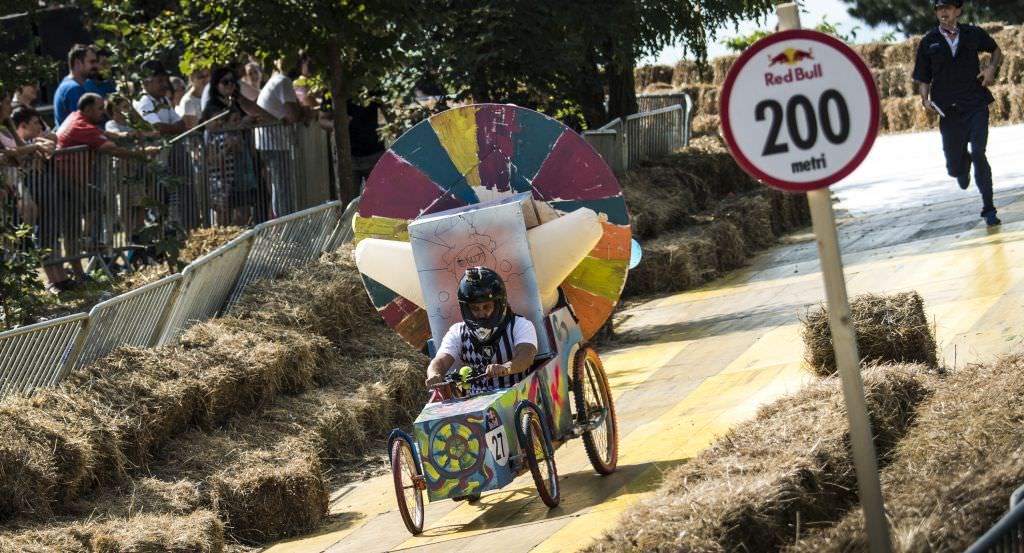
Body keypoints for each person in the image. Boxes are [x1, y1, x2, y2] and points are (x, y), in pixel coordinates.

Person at [913, 0, 1004, 226]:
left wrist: (991, 68)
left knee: (979, 152)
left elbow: (996, 50)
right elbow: (923, 77)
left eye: (948, 7)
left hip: (975, 104)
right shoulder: (928, 42)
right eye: (939, 8)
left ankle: (989, 208)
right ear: (936, 13)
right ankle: (961, 168)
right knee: (955, 169)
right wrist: (925, 99)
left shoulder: (973, 33)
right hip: (948, 111)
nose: (943, 12)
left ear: (958, 11)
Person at [425, 267, 538, 395]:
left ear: (499, 304)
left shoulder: (520, 325)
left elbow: (526, 356)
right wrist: (434, 374)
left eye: (486, 306)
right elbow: (440, 360)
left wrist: (506, 368)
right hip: (474, 408)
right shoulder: (457, 332)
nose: (481, 313)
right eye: (475, 308)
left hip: (516, 397)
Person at [256, 56, 306, 216]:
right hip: (275, 144)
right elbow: (293, 115)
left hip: (271, 143)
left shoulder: (276, 81)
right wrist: (305, 112)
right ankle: (285, 229)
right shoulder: (283, 81)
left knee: (278, 187)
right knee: (282, 188)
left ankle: (281, 226)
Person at [133, 60, 187, 137]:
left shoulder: (164, 99)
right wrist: (175, 128)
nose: (165, 84)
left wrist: (171, 128)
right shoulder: (143, 101)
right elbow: (157, 127)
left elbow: (181, 124)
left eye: (166, 80)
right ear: (146, 83)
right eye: (160, 81)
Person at [53, 44, 100, 127]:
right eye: (92, 62)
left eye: (96, 62)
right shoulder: (74, 89)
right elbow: (83, 126)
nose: (97, 66)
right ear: (77, 63)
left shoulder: (68, 84)